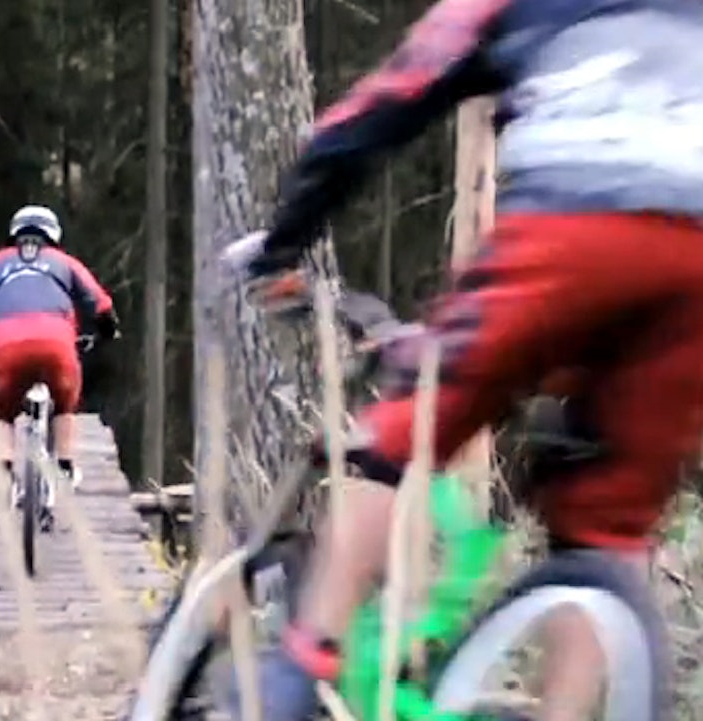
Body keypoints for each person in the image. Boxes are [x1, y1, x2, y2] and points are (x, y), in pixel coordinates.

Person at [219, 0, 703, 718]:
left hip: (570, 223)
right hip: (695, 261)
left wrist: (283, 238)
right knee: (607, 522)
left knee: (406, 428)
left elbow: (381, 108)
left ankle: (300, 667)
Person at [0, 205, 119, 525]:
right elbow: (100, 303)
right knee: (65, 403)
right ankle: (64, 464)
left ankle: (5, 470)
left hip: (6, 344)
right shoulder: (65, 263)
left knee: (1, 410)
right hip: (57, 344)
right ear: (53, 235)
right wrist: (107, 329)